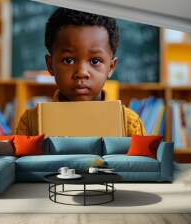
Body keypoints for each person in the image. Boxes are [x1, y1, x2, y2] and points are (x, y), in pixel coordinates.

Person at [14, 7, 145, 136]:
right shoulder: (31, 125)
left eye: (95, 61)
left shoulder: (129, 125)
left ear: (110, 67)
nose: (81, 72)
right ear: (50, 65)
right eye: (68, 60)